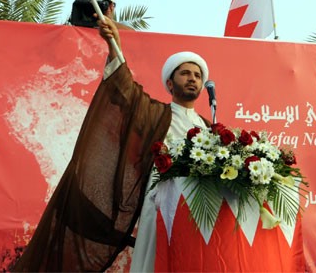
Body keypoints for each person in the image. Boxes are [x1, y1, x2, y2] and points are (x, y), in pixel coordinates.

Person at [12, 15, 210, 272]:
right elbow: (125, 89)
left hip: (200, 207)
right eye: (185, 73)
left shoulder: (209, 125)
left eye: (197, 75)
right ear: (171, 84)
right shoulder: (156, 113)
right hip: (162, 202)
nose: (192, 78)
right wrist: (114, 43)